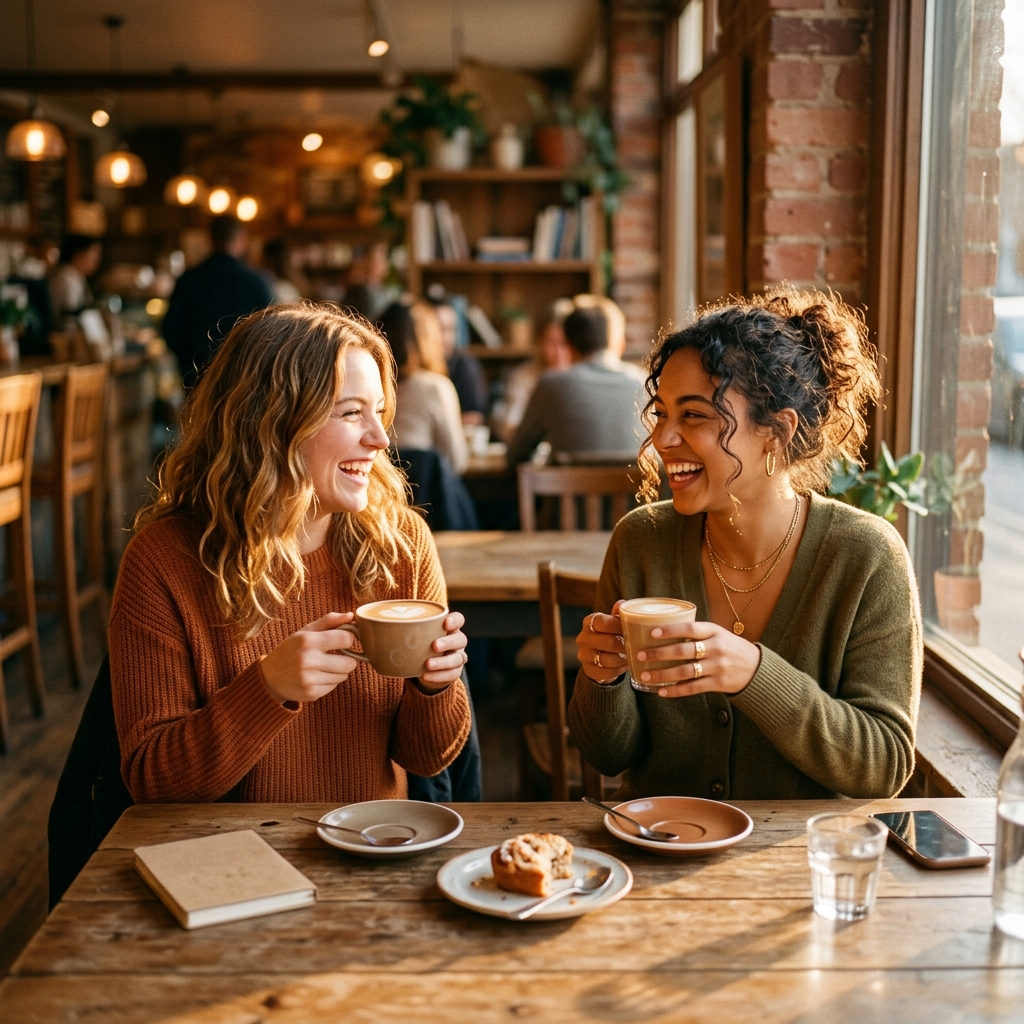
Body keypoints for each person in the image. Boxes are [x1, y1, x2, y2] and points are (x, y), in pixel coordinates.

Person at [108, 303, 472, 803]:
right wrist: (269, 687)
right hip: (236, 865)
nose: (381, 438)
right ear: (271, 423)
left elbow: (428, 759)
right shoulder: (163, 562)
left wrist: (435, 688)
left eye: (379, 412)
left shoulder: (401, 543)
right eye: (350, 413)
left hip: (377, 850)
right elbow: (155, 782)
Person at [568, 289, 922, 801]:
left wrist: (756, 674)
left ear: (776, 432)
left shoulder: (866, 556)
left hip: (797, 868)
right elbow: (608, 755)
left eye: (693, 415)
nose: (664, 439)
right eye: (662, 413)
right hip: (661, 850)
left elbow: (884, 764)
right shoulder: (641, 540)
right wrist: (602, 681)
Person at [506, 303, 646, 465]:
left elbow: (516, 454)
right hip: (636, 489)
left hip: (567, 490)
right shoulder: (642, 382)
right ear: (612, 340)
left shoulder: (551, 384)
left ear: (569, 345)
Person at [162, 215, 272, 385]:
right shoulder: (257, 282)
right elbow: (270, 334)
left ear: (210, 239)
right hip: (243, 380)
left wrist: (188, 365)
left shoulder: (188, 280)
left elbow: (171, 331)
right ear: (241, 240)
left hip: (196, 376)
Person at [380, 302, 469, 474]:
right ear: (428, 339)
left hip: (379, 491)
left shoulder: (370, 385)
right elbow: (457, 461)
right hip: (425, 496)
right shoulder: (435, 387)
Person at [491, 299, 574, 444]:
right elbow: (510, 427)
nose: (559, 352)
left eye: (565, 343)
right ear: (540, 342)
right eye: (552, 343)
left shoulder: (583, 377)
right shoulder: (523, 377)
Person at [434, 300, 489, 425]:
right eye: (438, 329)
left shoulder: (465, 364)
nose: (445, 338)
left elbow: (475, 417)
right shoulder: (412, 368)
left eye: (449, 329)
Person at [49, 234, 102, 325]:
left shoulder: (78, 277)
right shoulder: (65, 278)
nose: (96, 262)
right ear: (78, 255)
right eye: (93, 257)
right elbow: (70, 317)